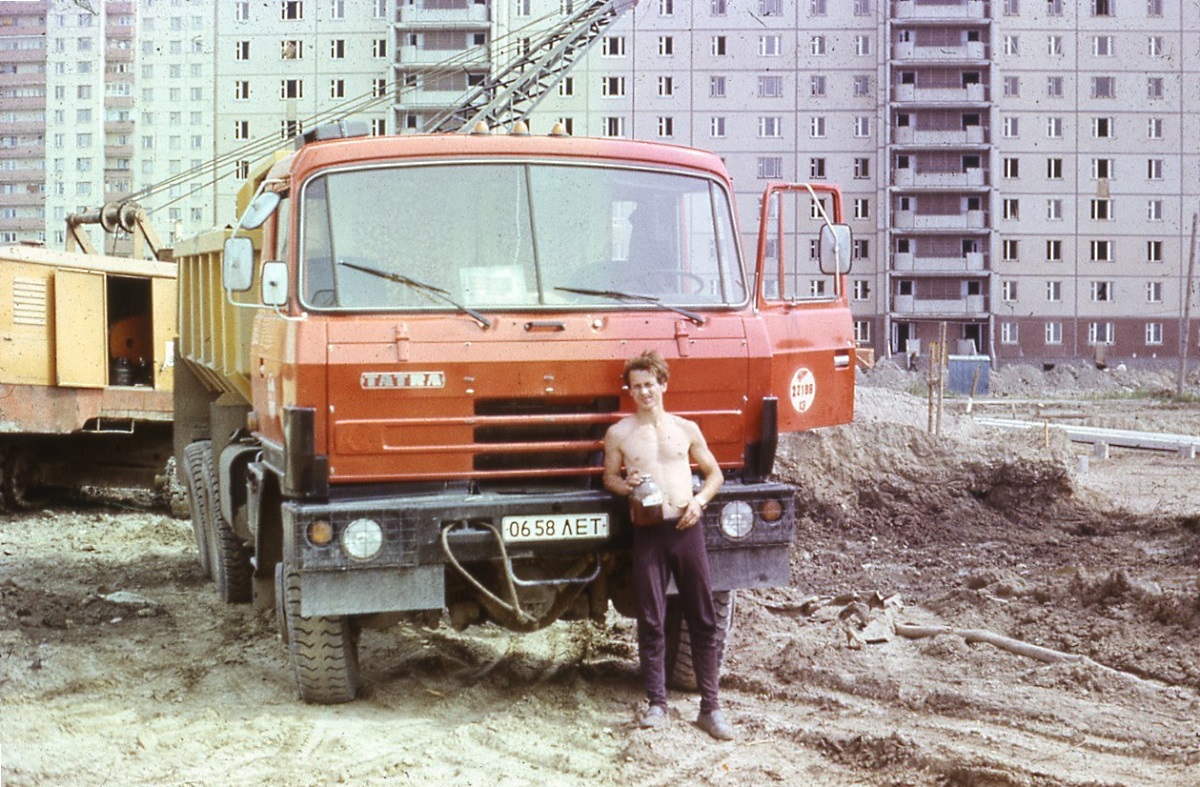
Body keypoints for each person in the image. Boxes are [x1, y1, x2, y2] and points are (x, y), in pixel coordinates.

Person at [602, 350, 733, 741]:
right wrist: (628, 487)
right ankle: (657, 704)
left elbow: (715, 475)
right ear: (630, 391)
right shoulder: (620, 434)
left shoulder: (686, 428)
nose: (644, 392)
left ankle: (711, 709)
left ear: (663, 385)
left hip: (686, 529)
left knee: (703, 618)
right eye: (637, 386)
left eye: (650, 384)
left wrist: (699, 502)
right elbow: (609, 477)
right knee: (652, 619)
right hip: (648, 533)